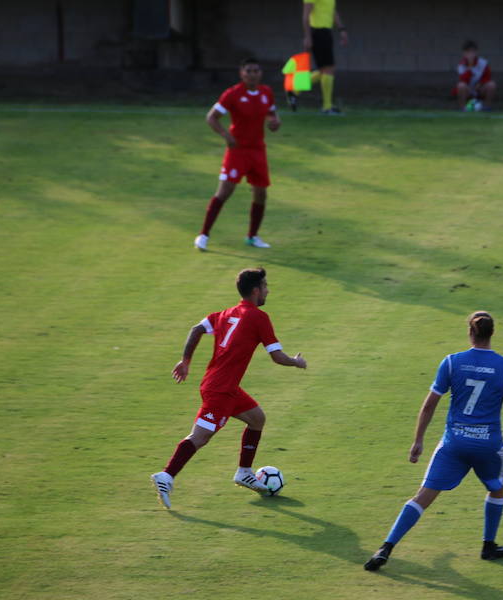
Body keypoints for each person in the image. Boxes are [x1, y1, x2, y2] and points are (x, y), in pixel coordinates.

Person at [363, 311, 503, 571]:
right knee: (496, 488)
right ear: (492, 333)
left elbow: (429, 406)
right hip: (488, 445)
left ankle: (386, 546)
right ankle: (488, 545)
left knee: (423, 497)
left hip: (454, 444)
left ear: (470, 332)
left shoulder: (452, 363)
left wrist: (418, 440)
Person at [150, 268, 307, 508]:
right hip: (220, 392)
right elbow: (276, 356)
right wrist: (296, 362)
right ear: (256, 291)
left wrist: (186, 361)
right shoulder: (259, 317)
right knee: (200, 437)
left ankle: (244, 472)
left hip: (225, 386)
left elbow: (196, 329)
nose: (268, 290)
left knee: (257, 418)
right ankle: (167, 475)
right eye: (265, 286)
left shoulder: (225, 314)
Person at [194, 58, 281, 252]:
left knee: (261, 194)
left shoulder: (266, 93)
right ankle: (203, 235)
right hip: (238, 151)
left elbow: (272, 114)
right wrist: (226, 135)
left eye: (256, 71)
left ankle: (252, 236)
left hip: (258, 150)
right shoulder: (233, 94)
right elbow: (211, 117)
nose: (252, 74)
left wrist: (274, 122)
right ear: (242, 73)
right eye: (248, 71)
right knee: (224, 192)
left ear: (260, 73)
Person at [296, 0, 349, 114]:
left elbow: (332, 11)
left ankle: (295, 88)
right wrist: (308, 37)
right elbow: (305, 16)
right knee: (328, 69)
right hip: (317, 32)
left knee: (326, 70)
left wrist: (342, 29)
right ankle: (327, 106)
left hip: (326, 32)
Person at [455, 40, 496, 112]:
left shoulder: (483, 63)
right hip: (468, 89)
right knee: (461, 86)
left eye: (473, 52)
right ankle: (463, 108)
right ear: (464, 53)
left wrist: (480, 83)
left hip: (480, 89)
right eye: (468, 52)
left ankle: (487, 107)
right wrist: (469, 68)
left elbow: (488, 77)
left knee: (491, 85)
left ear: (476, 52)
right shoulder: (461, 65)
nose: (471, 54)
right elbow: (463, 80)